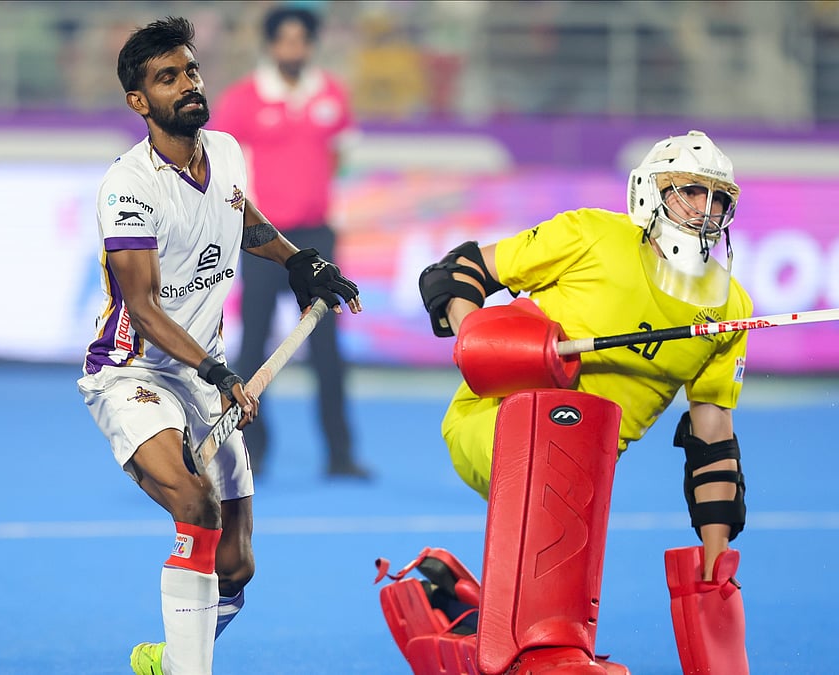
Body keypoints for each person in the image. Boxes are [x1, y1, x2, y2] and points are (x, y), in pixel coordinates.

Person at [378, 131, 752, 674]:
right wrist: (478, 338)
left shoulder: (730, 309)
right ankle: (552, 654)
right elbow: (454, 272)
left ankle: (456, 615)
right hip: (497, 421)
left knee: (571, 481)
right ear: (649, 193)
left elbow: (712, 438)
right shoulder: (590, 235)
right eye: (692, 191)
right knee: (560, 449)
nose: (707, 209)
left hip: (587, 469)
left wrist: (716, 558)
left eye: (719, 198)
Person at [76, 16, 362, 675]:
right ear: (139, 102)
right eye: (168, 78)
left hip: (205, 376)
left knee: (236, 564)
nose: (189, 84)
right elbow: (143, 309)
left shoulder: (228, 150)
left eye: (192, 70)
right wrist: (217, 368)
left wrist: (299, 261)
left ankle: (167, 657)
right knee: (194, 503)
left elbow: (244, 218)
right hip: (135, 371)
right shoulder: (129, 186)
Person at [211, 5, 370, 479]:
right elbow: (222, 165)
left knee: (327, 350)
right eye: (284, 40)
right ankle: (250, 451)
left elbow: (341, 158)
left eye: (301, 40)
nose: (292, 49)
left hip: (317, 239)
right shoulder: (243, 100)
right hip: (263, 238)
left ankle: (339, 454)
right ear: (270, 45)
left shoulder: (332, 96)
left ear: (311, 45)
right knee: (254, 346)